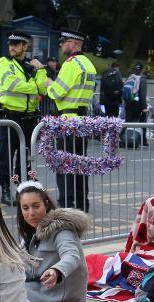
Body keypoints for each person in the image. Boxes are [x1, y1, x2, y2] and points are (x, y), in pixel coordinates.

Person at [16, 179, 90, 302]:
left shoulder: (62, 229)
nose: (31, 213)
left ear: (47, 204)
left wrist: (57, 271)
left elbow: (72, 256)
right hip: (42, 298)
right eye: (25, 208)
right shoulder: (28, 235)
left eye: (36, 206)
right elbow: (26, 272)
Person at [0, 31, 50, 205]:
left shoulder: (31, 66)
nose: (12, 47)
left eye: (16, 44)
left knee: (25, 157)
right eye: (10, 43)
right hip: (11, 116)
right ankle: (4, 189)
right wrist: (34, 85)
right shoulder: (4, 63)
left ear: (25, 47)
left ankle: (22, 189)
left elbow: (43, 89)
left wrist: (41, 69)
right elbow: (13, 85)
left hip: (30, 117)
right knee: (6, 155)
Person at [47, 28, 97, 212]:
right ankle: (82, 204)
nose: (60, 44)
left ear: (73, 44)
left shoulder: (70, 63)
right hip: (83, 120)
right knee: (80, 164)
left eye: (64, 41)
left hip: (67, 120)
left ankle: (66, 205)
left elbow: (57, 92)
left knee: (65, 164)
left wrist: (48, 84)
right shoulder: (89, 64)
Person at [123, 64, 149, 146]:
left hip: (129, 104)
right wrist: (144, 107)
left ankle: (123, 138)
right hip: (138, 105)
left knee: (127, 122)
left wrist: (127, 102)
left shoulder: (129, 77)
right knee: (143, 122)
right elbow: (142, 94)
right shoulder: (142, 79)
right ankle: (143, 141)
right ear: (142, 70)